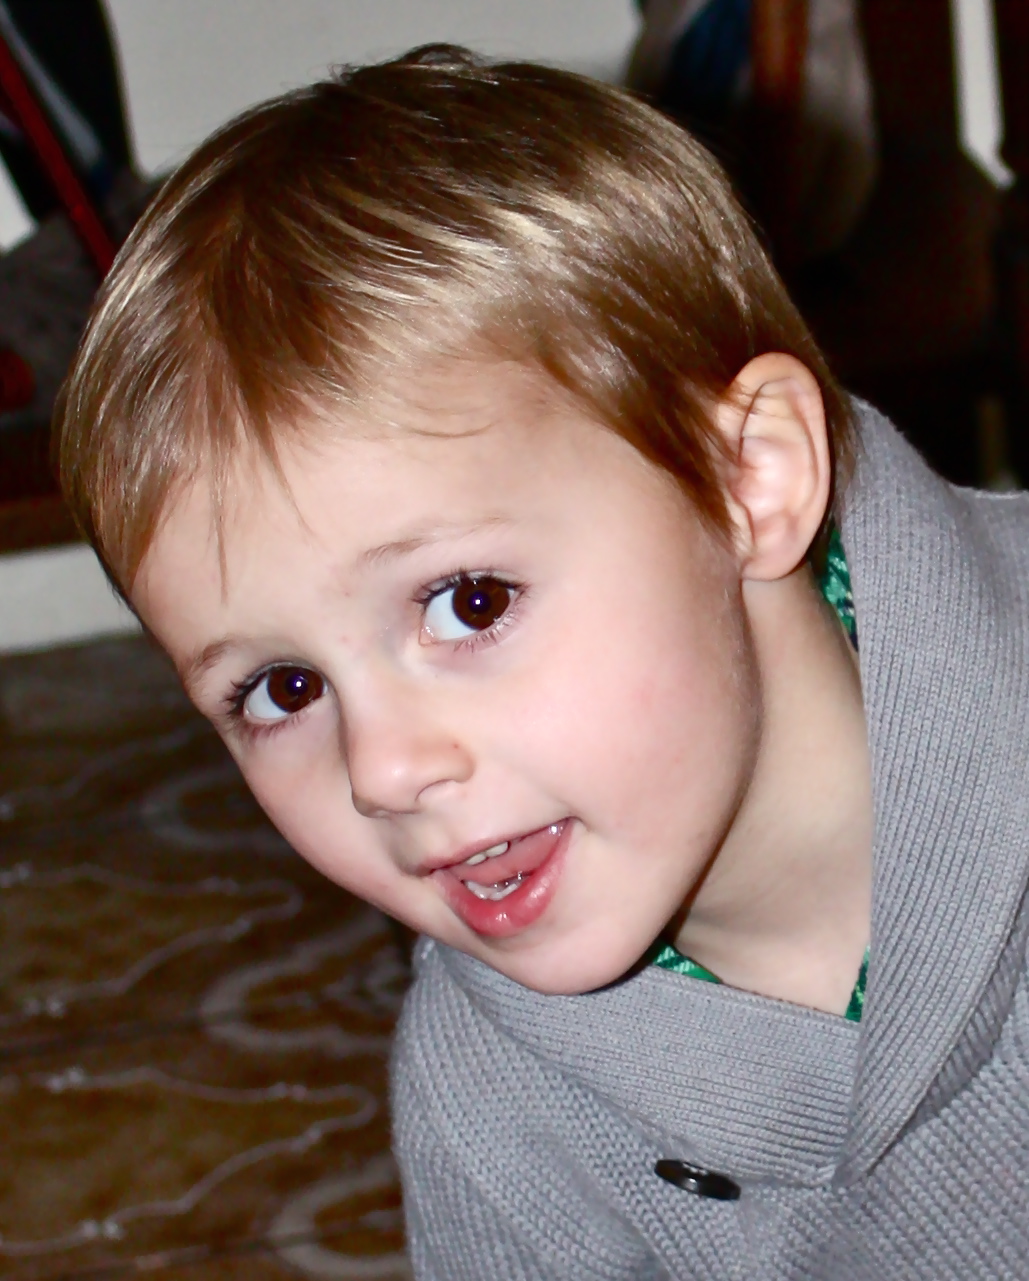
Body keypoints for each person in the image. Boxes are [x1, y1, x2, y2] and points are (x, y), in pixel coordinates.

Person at [55, 45, 1029, 1280]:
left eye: (469, 603)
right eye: (284, 689)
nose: (383, 771)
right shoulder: (490, 1112)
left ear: (750, 479)